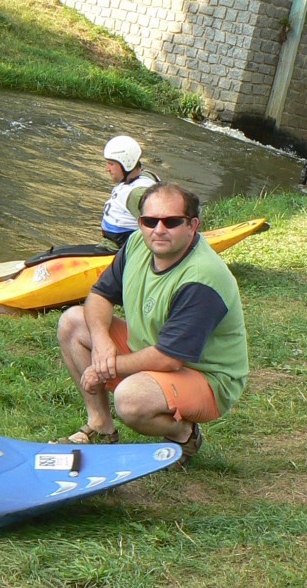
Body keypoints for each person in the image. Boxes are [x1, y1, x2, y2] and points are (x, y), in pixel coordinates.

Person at [53, 182, 248, 467]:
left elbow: (169, 358)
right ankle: (100, 426)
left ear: (192, 225)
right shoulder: (136, 244)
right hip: (154, 350)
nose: (159, 229)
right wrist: (102, 341)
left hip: (206, 377)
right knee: (73, 322)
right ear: (140, 222)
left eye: (172, 221)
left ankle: (184, 434)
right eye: (150, 221)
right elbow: (99, 296)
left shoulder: (202, 278)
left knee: (131, 399)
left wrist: (104, 367)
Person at [100, 135, 160, 247]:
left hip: (119, 249)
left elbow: (156, 228)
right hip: (116, 243)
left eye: (111, 164)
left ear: (126, 164)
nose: (107, 169)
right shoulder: (143, 177)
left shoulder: (137, 194)